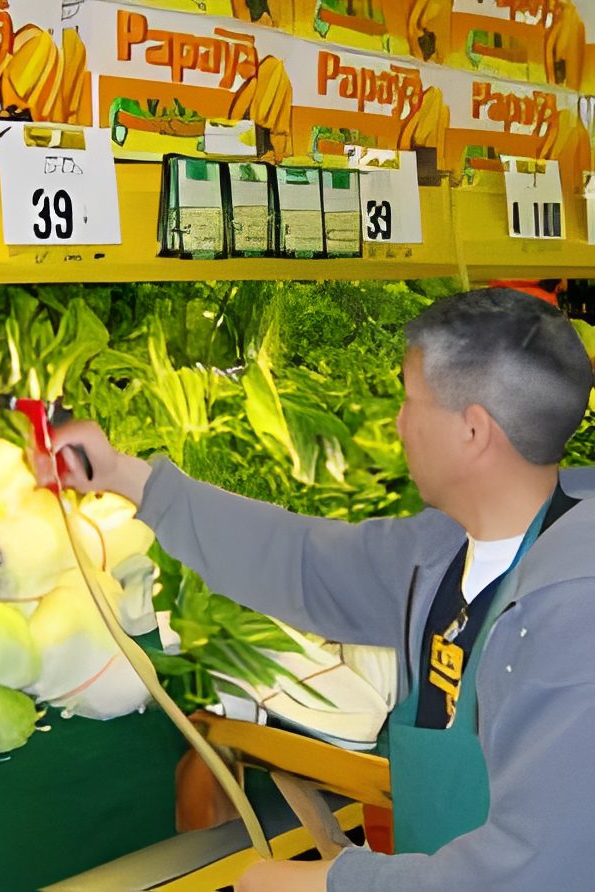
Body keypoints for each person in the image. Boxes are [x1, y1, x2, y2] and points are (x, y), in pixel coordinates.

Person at [50, 289, 595, 891]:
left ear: (472, 431)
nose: (399, 421)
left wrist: (324, 882)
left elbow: (538, 869)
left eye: (412, 401)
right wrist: (126, 477)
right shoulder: (441, 551)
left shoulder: (575, 612)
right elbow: (302, 562)